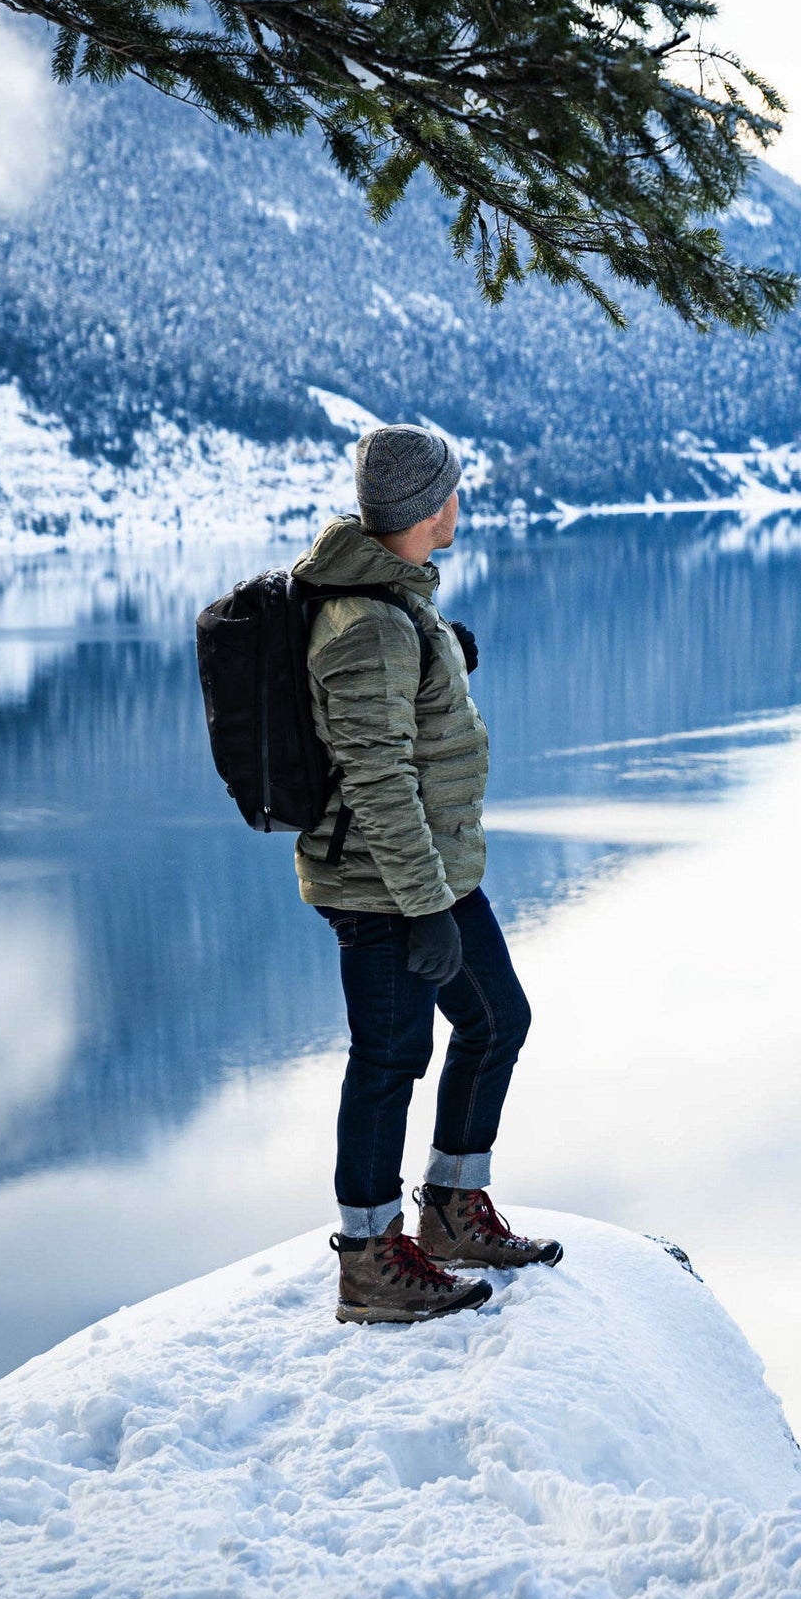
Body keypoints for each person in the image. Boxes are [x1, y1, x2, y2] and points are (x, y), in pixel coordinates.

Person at [293, 424, 561, 1325]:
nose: (458, 502)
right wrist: (424, 909)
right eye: (449, 490)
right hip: (385, 887)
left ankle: (449, 1210)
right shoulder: (368, 625)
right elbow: (376, 781)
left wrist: (440, 656)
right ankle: (368, 1260)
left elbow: (393, 715)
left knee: (496, 1019)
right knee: (389, 1058)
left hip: (431, 872)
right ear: (424, 507)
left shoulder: (393, 602)